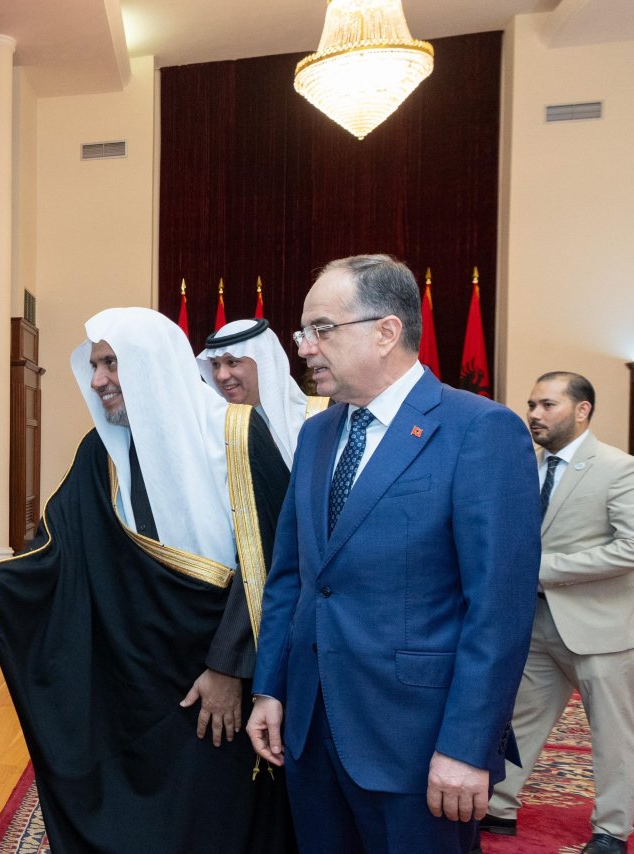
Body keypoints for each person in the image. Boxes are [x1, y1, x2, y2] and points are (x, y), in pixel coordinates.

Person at [245, 254, 541, 854]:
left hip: (418, 740)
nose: (303, 347)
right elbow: (293, 578)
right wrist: (270, 688)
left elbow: (498, 609)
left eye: (320, 329)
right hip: (309, 725)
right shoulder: (317, 432)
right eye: (304, 331)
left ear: (386, 331)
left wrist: (467, 744)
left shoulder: (479, 430)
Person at [0, 307, 294, 852]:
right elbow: (56, 548)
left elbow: (272, 562)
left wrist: (228, 668)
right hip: (133, 681)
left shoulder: (238, 435)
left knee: (216, 820)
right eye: (95, 365)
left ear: (151, 364)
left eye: (111, 364)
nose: (98, 379)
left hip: (216, 678)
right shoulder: (98, 451)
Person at [481, 372, 634, 854]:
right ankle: (499, 808)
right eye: (531, 404)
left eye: (547, 404)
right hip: (537, 623)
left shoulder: (618, 467)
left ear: (582, 410)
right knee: (520, 721)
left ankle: (612, 827)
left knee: (612, 735)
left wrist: (542, 569)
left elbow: (629, 548)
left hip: (600, 628)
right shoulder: (527, 465)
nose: (534, 414)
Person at [199, 317, 329, 468]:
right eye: (215, 364)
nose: (221, 376)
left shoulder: (317, 417)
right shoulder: (211, 431)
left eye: (232, 362)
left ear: (264, 362)